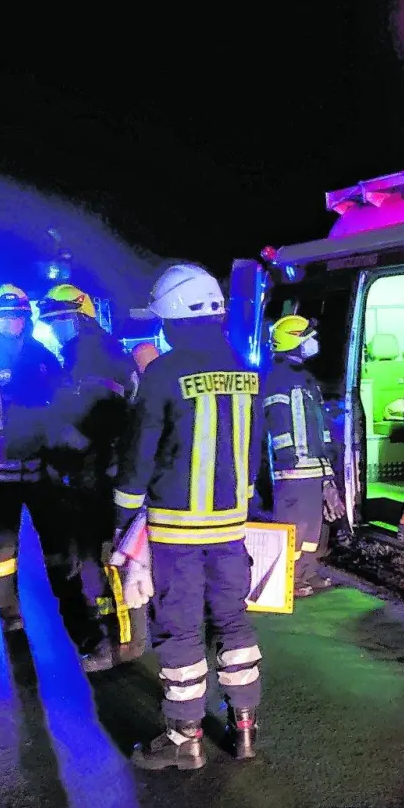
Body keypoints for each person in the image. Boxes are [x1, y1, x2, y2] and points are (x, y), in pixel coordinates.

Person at [112, 262, 265, 771]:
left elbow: (140, 455)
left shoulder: (163, 373)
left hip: (176, 529)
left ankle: (185, 739)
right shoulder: (247, 369)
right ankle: (244, 728)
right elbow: (253, 450)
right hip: (231, 527)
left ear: (174, 315)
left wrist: (123, 513)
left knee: (179, 631)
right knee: (233, 622)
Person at [37, 282, 147, 671]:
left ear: (79, 318)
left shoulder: (94, 353)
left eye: (59, 320)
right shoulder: (85, 351)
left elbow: (106, 411)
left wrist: (75, 441)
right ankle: (110, 634)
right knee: (95, 558)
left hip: (102, 471)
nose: (53, 328)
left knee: (108, 555)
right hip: (93, 470)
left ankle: (124, 642)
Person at [0, 284, 65, 634]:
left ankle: (64, 602)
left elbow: (63, 400)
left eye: (17, 317)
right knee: (2, 545)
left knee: (55, 538)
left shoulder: (41, 356)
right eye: (4, 318)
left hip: (41, 466)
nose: (12, 324)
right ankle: (8, 609)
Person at [262, 314, 343, 596]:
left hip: (313, 467)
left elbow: (316, 422)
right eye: (308, 338)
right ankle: (289, 580)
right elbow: (277, 419)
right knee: (293, 529)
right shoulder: (279, 379)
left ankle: (307, 572)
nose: (314, 343)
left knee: (312, 530)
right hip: (294, 470)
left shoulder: (304, 379)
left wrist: (327, 467)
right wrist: (287, 455)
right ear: (294, 342)